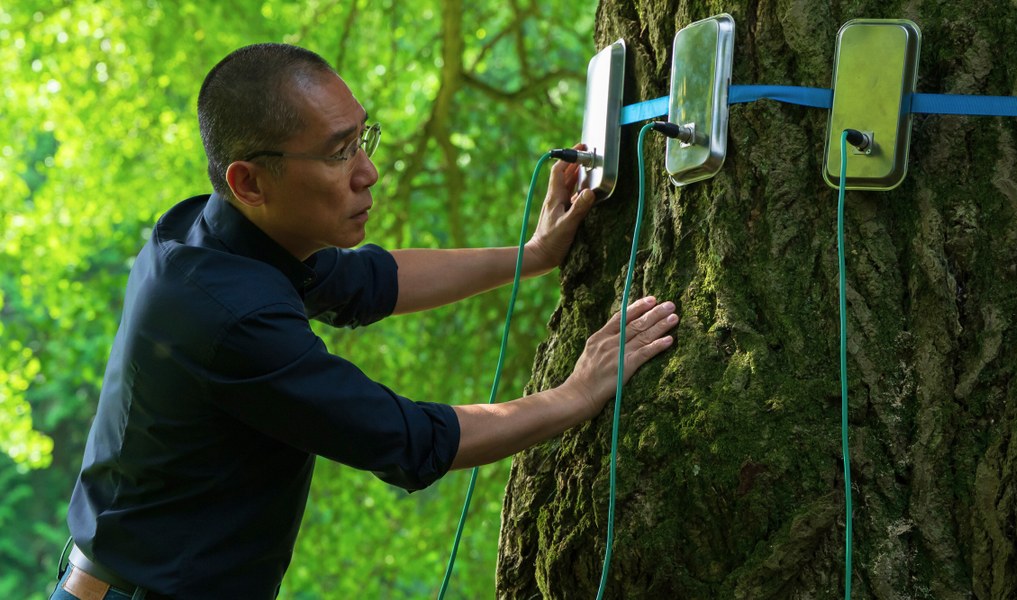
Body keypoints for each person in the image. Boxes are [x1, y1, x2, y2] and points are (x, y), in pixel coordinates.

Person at [50, 43, 677, 599]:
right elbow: (408, 438)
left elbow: (373, 280)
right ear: (248, 181)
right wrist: (577, 394)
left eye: (361, 138)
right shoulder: (226, 317)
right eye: (337, 153)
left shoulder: (219, 235)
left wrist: (533, 257)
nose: (368, 172)